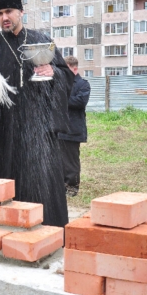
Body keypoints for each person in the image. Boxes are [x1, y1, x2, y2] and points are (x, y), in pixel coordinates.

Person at [0, 0, 74, 228]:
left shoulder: (42, 40)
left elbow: (66, 76)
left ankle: (48, 229)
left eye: (9, 11)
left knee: (42, 182)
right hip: (5, 128)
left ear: (20, 11)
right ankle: (5, 230)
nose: (5, 18)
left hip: (38, 128)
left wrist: (53, 72)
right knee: (4, 182)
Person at [58, 56, 91, 198]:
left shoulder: (83, 84)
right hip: (59, 128)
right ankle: (61, 184)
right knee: (59, 159)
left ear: (74, 68)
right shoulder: (60, 84)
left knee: (71, 159)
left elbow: (80, 102)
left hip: (73, 128)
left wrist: (61, 98)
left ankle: (72, 185)